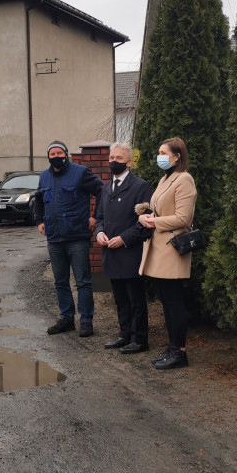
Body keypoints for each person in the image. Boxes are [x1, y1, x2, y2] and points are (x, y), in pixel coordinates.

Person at [32, 140, 105, 337]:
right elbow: (38, 199)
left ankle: (86, 320)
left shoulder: (80, 173)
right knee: (60, 281)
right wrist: (39, 220)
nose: (56, 157)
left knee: (82, 281)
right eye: (52, 154)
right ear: (48, 157)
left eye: (59, 153)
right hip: (54, 238)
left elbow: (102, 191)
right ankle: (66, 318)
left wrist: (95, 217)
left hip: (77, 237)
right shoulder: (44, 176)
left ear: (66, 154)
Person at [138, 137, 197, 371]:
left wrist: (154, 222)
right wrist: (145, 215)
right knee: (166, 301)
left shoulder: (184, 179)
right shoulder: (165, 179)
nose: (160, 156)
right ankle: (172, 347)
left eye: (164, 152)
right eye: (159, 152)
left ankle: (180, 352)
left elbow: (184, 218)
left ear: (177, 156)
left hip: (172, 249)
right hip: (159, 249)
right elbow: (157, 209)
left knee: (174, 302)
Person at [95, 142, 153, 354]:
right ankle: (124, 334)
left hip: (130, 251)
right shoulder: (105, 187)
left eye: (119, 159)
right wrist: (99, 233)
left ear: (129, 162)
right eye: (111, 158)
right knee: (120, 298)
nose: (114, 162)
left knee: (135, 298)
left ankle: (140, 339)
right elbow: (99, 217)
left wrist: (123, 238)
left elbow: (144, 222)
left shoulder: (140, 187)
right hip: (111, 251)